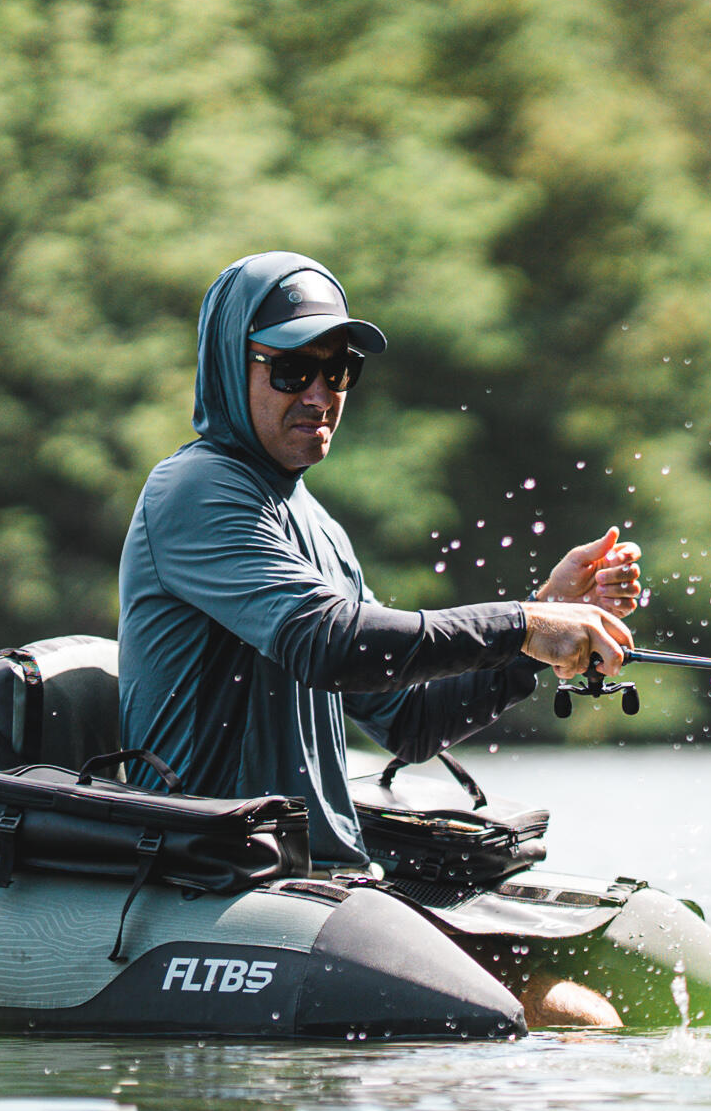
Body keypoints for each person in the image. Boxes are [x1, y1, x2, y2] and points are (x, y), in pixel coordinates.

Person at [116, 251, 643, 1022]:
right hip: (217, 883)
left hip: (323, 881)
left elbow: (408, 720)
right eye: (292, 370)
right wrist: (524, 624)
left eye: (340, 372)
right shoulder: (197, 490)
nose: (320, 394)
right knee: (573, 1022)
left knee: (580, 1017)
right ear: (232, 366)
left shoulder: (314, 525)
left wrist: (535, 632)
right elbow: (329, 644)